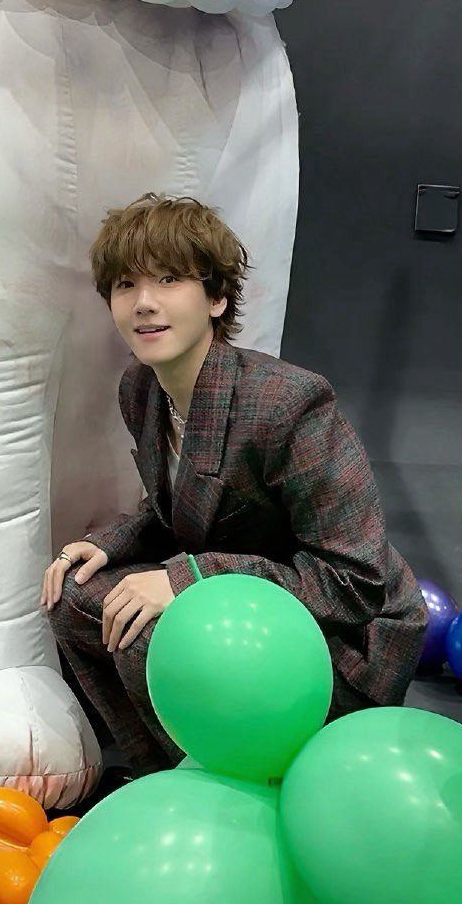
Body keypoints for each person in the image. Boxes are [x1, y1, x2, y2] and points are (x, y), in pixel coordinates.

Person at [42, 193, 427, 782]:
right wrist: (107, 544)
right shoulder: (141, 390)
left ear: (217, 298)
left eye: (168, 279)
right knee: (76, 596)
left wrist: (190, 579)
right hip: (238, 614)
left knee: (157, 636)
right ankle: (159, 773)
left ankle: (222, 787)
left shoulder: (288, 403)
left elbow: (355, 581)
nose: (144, 303)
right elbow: (176, 506)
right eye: (125, 284)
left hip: (344, 639)